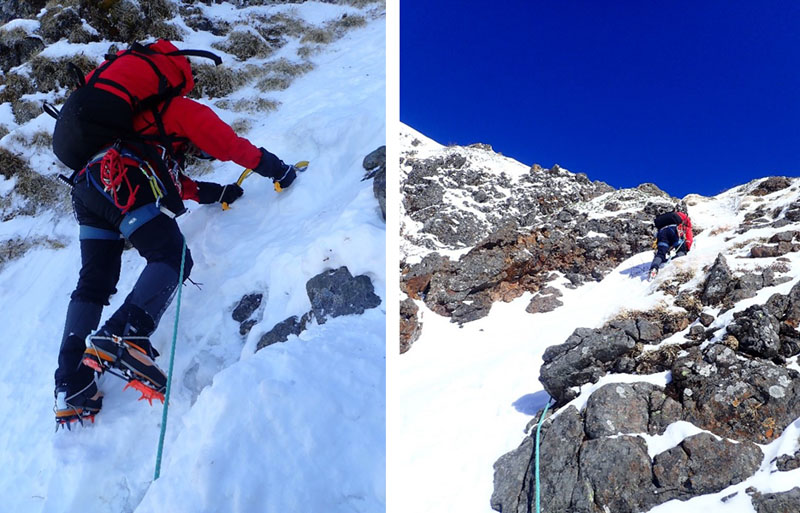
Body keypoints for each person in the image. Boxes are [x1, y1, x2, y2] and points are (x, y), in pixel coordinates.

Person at [53, 48, 301, 427]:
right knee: (172, 255)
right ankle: (125, 335)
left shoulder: (137, 126)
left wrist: (218, 193)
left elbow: (176, 184)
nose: (200, 154)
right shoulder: (179, 110)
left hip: (88, 186)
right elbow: (230, 145)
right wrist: (278, 170)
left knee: (94, 284)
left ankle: (71, 385)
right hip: (118, 176)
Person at [648, 208, 693, 280]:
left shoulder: (664, 218)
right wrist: (687, 247)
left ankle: (654, 268)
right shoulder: (683, 217)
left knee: (660, 254)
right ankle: (675, 263)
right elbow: (688, 230)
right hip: (674, 229)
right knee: (681, 250)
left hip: (662, 232)